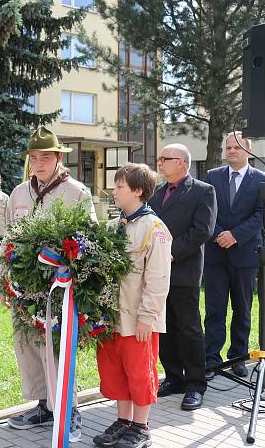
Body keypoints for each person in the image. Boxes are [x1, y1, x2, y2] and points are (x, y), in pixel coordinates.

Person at [3, 126, 96, 442]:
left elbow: (89, 242)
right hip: (23, 287)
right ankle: (44, 405)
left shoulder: (76, 193)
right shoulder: (18, 193)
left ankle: (68, 410)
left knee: (57, 349)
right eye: (33, 157)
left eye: (45, 157)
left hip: (60, 287)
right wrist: (6, 282)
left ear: (58, 158)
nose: (38, 163)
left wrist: (75, 280)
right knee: (27, 345)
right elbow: (8, 238)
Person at [95, 163, 172, 448]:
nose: (113, 191)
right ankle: (124, 421)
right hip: (112, 318)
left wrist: (147, 317)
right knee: (116, 371)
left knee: (140, 372)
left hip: (138, 319)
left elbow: (158, 279)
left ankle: (141, 426)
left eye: (119, 187)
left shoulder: (154, 229)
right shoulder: (114, 227)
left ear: (138, 191)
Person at [149, 144, 216, 411]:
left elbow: (202, 231)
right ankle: (175, 378)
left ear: (182, 163)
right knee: (165, 329)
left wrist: (169, 253)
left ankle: (196, 384)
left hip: (183, 270)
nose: (160, 163)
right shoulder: (157, 192)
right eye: (160, 158)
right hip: (156, 273)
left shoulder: (203, 191)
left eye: (165, 158)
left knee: (189, 329)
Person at [204, 132, 264, 379]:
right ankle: (211, 359)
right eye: (227, 147)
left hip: (245, 253)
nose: (231, 151)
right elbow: (207, 210)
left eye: (236, 147)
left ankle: (238, 356)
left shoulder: (262, 179)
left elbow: (262, 214)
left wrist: (236, 235)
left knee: (242, 308)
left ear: (249, 151)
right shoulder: (212, 176)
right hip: (216, 253)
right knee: (215, 309)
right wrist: (220, 234)